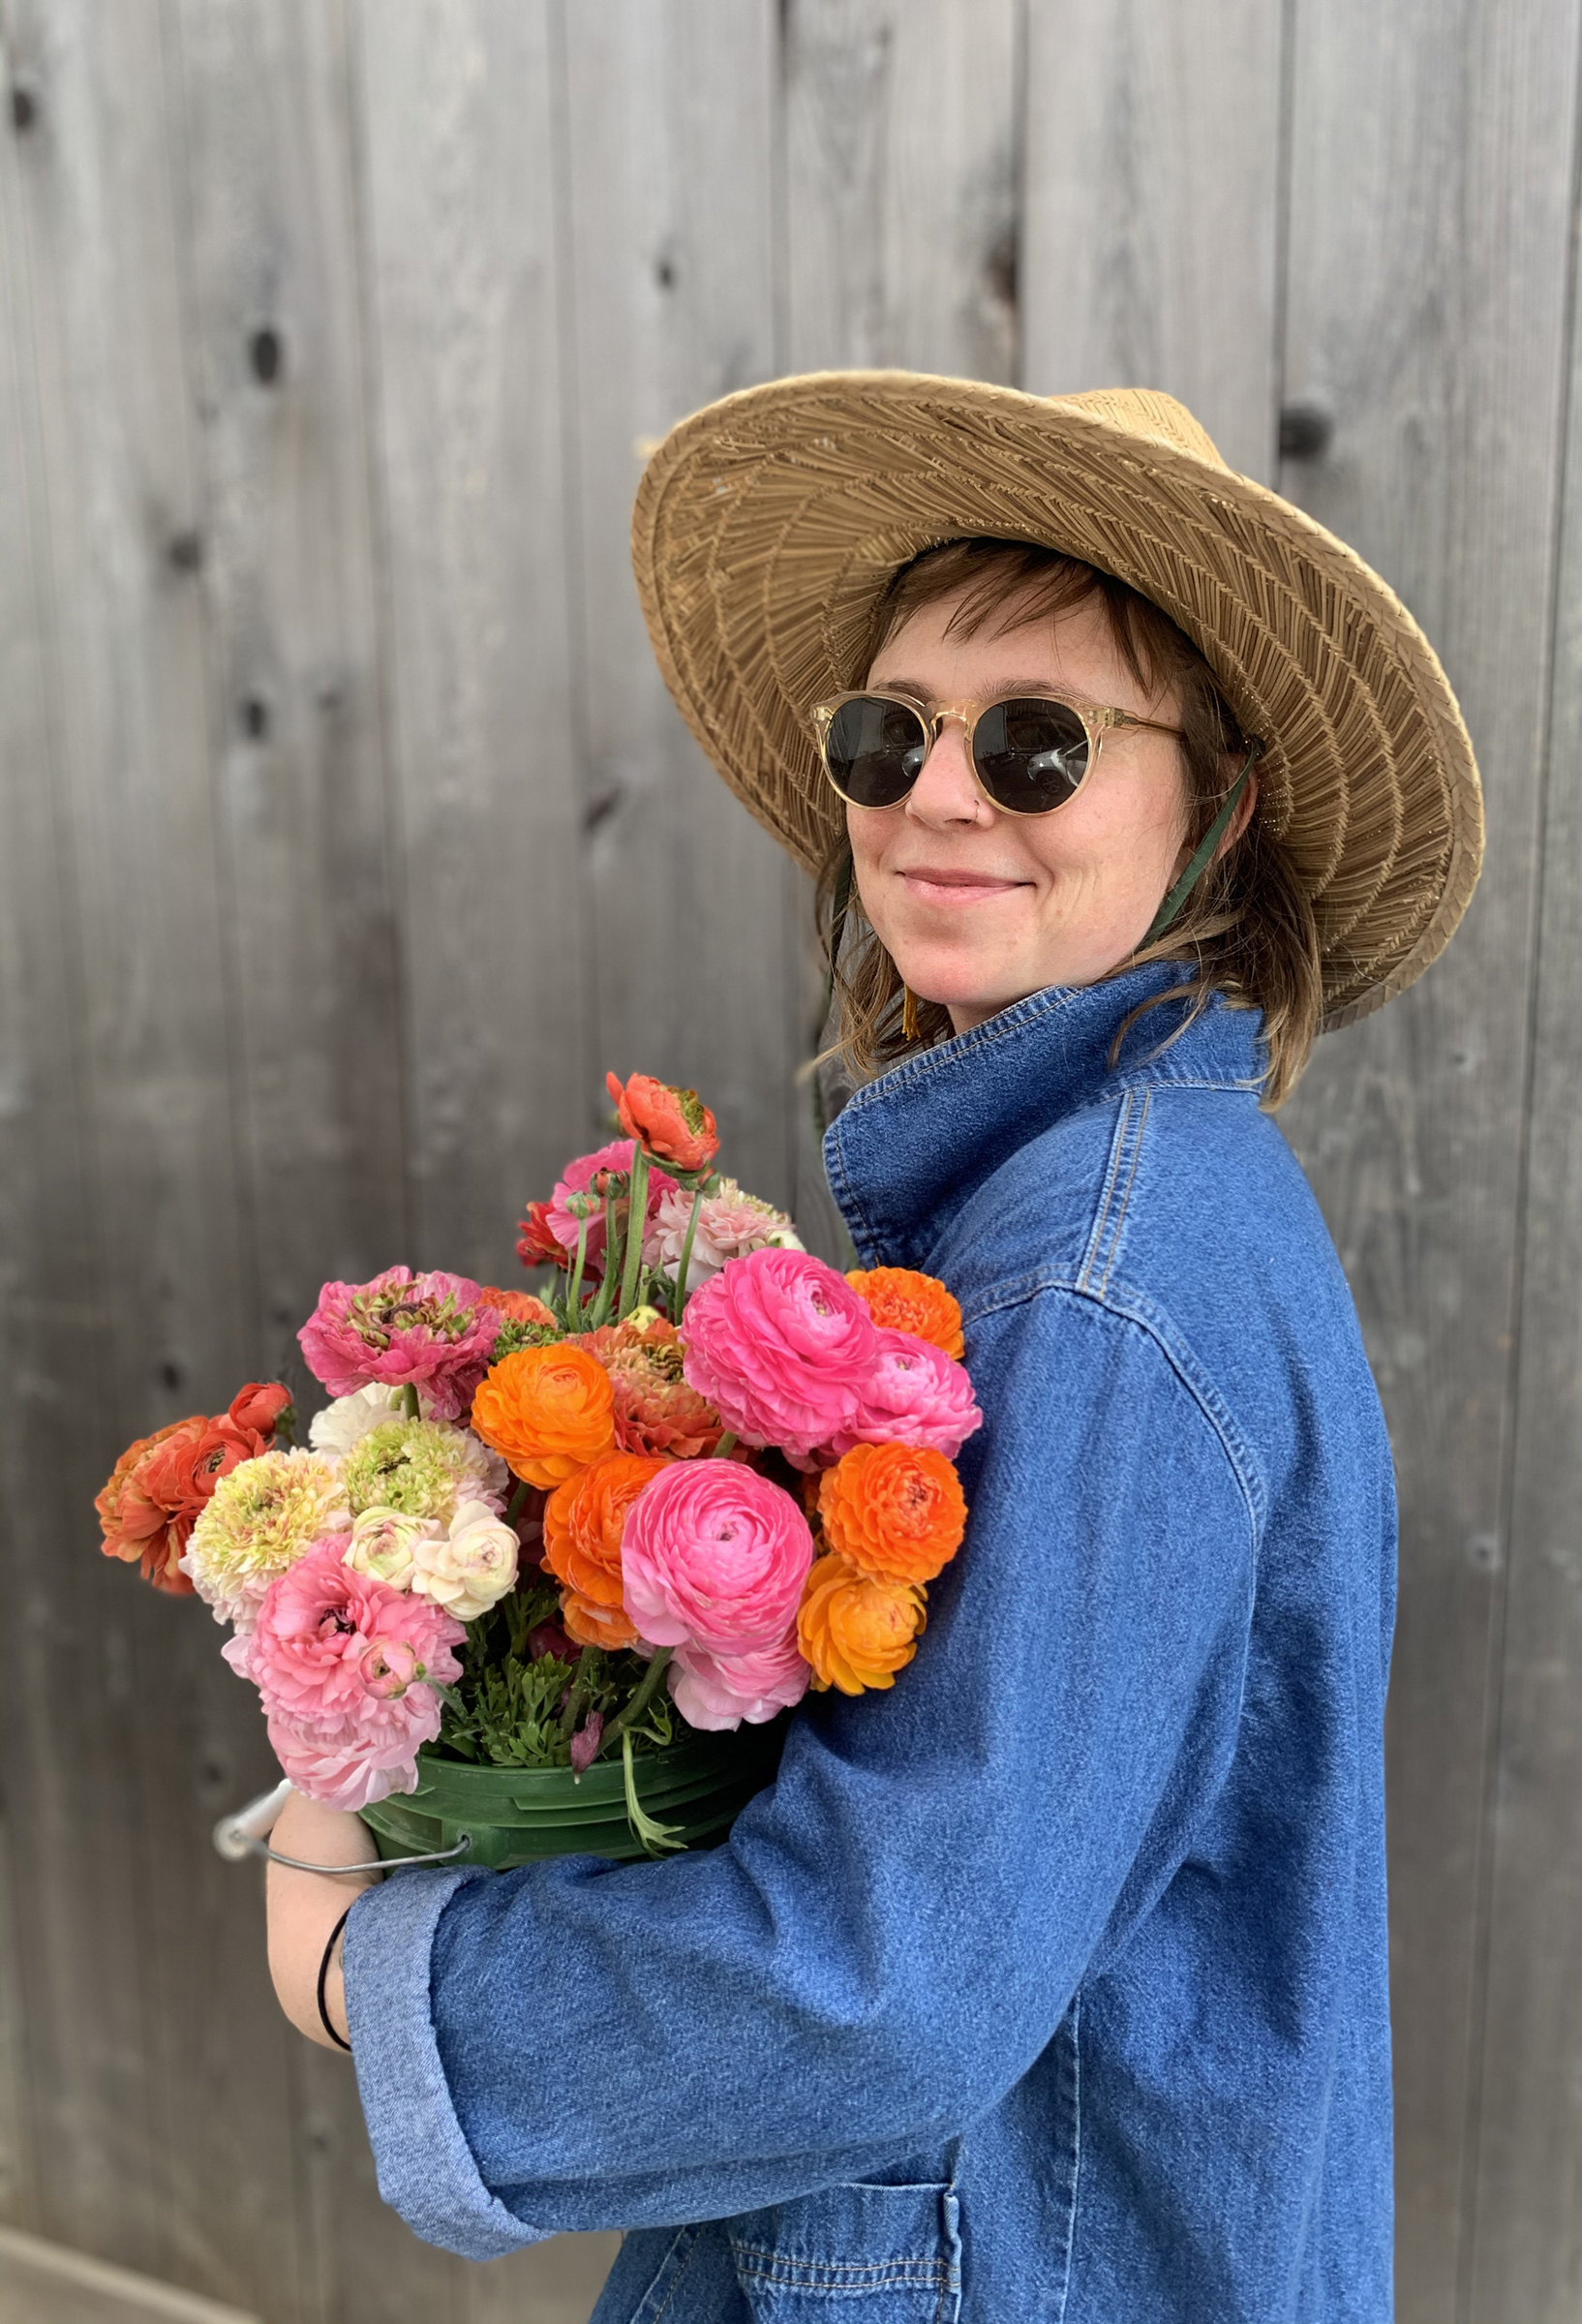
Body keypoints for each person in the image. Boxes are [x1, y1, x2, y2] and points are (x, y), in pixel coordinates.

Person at [264, 376, 1482, 2322]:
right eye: (889, 728)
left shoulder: (1095, 1279)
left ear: (1213, 811)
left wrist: (363, 1966)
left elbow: (893, 1988)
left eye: (1038, 742)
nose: (940, 790)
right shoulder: (1109, 1200)